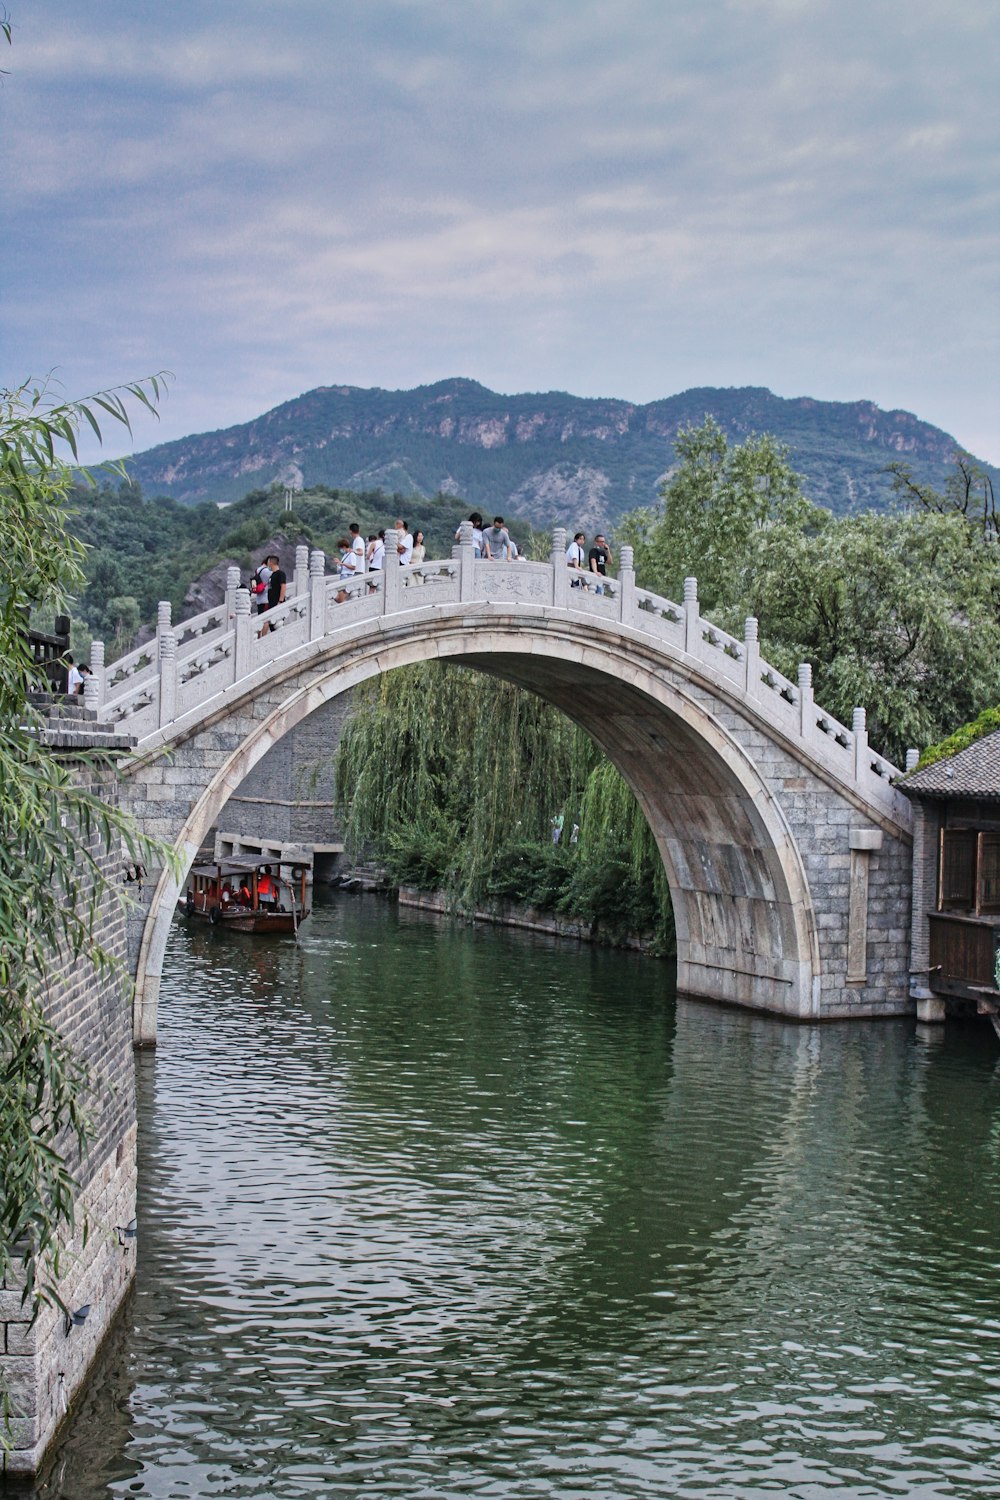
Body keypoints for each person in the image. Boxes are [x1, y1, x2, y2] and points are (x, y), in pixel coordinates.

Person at [260, 555, 286, 635]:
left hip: (277, 602)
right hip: (271, 603)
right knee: (271, 625)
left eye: (268, 562)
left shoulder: (280, 574)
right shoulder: (272, 575)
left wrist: (280, 601)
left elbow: (283, 586)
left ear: (271, 562)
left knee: (275, 623)